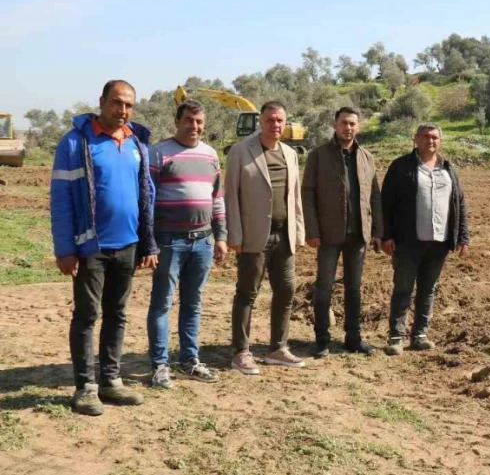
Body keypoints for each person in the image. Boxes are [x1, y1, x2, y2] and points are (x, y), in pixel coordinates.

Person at [50, 80, 158, 416]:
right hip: (89, 248)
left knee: (118, 314)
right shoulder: (75, 142)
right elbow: (61, 200)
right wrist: (65, 249)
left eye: (128, 105)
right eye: (116, 103)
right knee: (87, 315)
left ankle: (111, 380)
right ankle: (86, 387)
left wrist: (147, 242)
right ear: (102, 102)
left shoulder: (137, 143)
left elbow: (147, 197)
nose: (122, 110)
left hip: (127, 245)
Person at [146, 100, 227, 388]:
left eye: (199, 121)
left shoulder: (210, 155)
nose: (195, 126)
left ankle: (189, 361)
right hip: (170, 243)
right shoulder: (158, 153)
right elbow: (148, 202)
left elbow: (217, 198)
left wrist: (221, 237)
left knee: (193, 304)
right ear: (176, 121)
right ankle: (159, 365)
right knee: (162, 304)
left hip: (203, 241)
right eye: (189, 120)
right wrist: (151, 244)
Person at [224, 101, 306, 374]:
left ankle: (277, 348)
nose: (275, 125)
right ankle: (241, 352)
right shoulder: (240, 152)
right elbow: (231, 197)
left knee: (285, 291)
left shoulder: (290, 154)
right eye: (270, 120)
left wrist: (299, 232)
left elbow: (295, 197)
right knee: (247, 294)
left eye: (280, 120)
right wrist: (233, 234)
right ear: (260, 121)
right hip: (253, 237)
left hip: (285, 237)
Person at [380, 123, 469, 356]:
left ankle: (419, 335)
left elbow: (459, 203)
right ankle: (396, 337)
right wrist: (386, 236)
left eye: (435, 137)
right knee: (403, 288)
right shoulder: (401, 167)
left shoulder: (448, 169)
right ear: (415, 139)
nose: (431, 141)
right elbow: (386, 203)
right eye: (426, 137)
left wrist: (462, 236)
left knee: (428, 289)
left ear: (440, 141)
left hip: (439, 242)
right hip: (408, 241)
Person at [303, 107, 383, 358]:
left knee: (354, 288)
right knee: (324, 287)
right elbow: (308, 195)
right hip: (328, 234)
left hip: (358, 235)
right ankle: (322, 340)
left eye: (352, 124)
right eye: (344, 123)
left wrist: (377, 231)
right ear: (334, 125)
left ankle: (353, 338)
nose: (348, 128)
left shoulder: (367, 158)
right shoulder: (318, 156)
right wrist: (312, 230)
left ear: (358, 126)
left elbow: (374, 197)